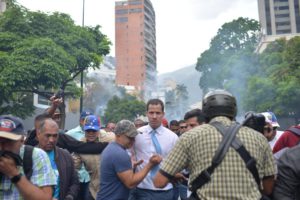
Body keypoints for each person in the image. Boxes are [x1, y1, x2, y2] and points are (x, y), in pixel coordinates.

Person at [154, 89, 276, 199]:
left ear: (205, 112)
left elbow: (159, 182)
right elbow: (268, 187)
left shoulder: (189, 137)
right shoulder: (259, 138)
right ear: (233, 110)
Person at [96, 120, 162, 200]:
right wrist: (150, 165)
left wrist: (130, 167)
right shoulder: (119, 153)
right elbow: (131, 183)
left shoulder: (112, 148)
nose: (133, 141)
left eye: (134, 138)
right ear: (118, 135)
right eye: (130, 137)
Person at [129, 99, 178, 200]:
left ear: (163, 114)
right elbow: (129, 154)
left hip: (165, 190)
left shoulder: (173, 137)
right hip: (142, 189)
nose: (154, 116)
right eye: (151, 113)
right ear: (146, 113)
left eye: (158, 113)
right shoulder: (136, 134)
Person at [0, 115, 56, 200]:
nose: (2, 147)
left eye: (8, 141)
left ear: (22, 140)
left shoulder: (36, 156)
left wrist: (13, 173)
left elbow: (45, 197)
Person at [73, 115, 115, 200]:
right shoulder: (80, 146)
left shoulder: (110, 138)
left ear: (99, 129)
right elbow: (74, 167)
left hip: (112, 188)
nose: (91, 133)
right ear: (84, 130)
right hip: (94, 190)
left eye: (94, 130)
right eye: (88, 131)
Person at [36, 118, 79, 200]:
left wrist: (70, 196)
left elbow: (75, 182)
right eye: (47, 135)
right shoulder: (29, 156)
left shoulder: (65, 156)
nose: (51, 140)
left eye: (55, 136)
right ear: (38, 134)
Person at [66, 110, 94, 200]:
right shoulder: (71, 133)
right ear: (80, 121)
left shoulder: (95, 134)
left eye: (89, 120)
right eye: (84, 120)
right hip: (76, 175)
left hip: (89, 176)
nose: (86, 122)